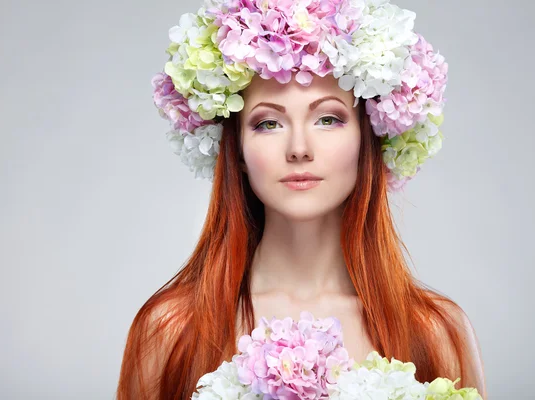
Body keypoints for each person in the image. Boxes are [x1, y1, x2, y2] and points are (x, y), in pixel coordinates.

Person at [117, 1, 487, 399]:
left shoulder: (435, 331)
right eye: (268, 123)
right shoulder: (171, 329)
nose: (298, 148)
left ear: (368, 139)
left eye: (328, 118)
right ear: (237, 151)